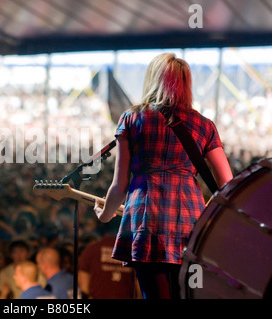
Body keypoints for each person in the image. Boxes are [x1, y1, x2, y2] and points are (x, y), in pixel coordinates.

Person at [93, 53, 233, 299]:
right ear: (187, 84)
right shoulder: (204, 125)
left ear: (154, 79)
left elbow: (120, 185)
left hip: (147, 220)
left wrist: (105, 215)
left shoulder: (132, 118)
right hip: (192, 223)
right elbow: (228, 184)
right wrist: (206, 218)